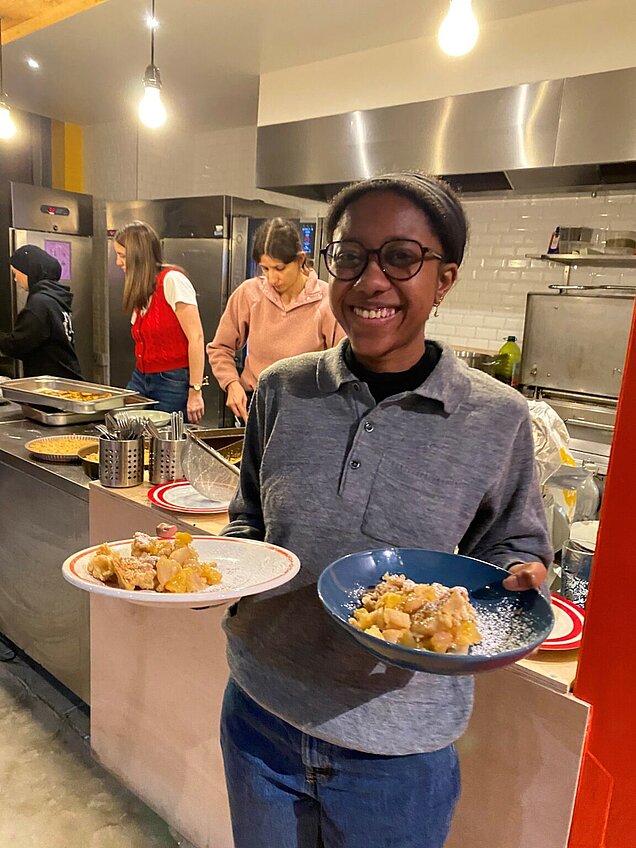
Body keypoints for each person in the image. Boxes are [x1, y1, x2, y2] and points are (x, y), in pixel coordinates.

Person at [218, 172, 552, 848]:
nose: (372, 280)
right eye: (350, 256)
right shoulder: (283, 389)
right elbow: (248, 517)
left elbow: (516, 545)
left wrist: (521, 573)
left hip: (400, 750)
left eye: (401, 257)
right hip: (260, 716)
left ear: (444, 278)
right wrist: (225, 576)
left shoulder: (497, 417)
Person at [207, 217, 345, 423]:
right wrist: (231, 383)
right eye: (265, 269)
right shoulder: (249, 294)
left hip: (307, 410)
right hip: (255, 404)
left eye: (279, 269)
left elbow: (342, 365)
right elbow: (219, 348)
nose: (272, 279)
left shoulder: (327, 300)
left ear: (300, 259)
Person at [113, 221, 205, 424]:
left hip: (172, 381)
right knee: (123, 426)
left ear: (138, 254)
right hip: (141, 377)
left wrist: (195, 390)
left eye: (121, 255)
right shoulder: (141, 288)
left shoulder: (172, 280)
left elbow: (196, 338)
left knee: (167, 445)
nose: (118, 262)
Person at [0, 244, 83, 380]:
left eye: (16, 274)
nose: (15, 280)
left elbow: (16, 345)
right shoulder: (55, 298)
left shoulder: (40, 303)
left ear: (29, 271)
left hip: (54, 385)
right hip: (67, 377)